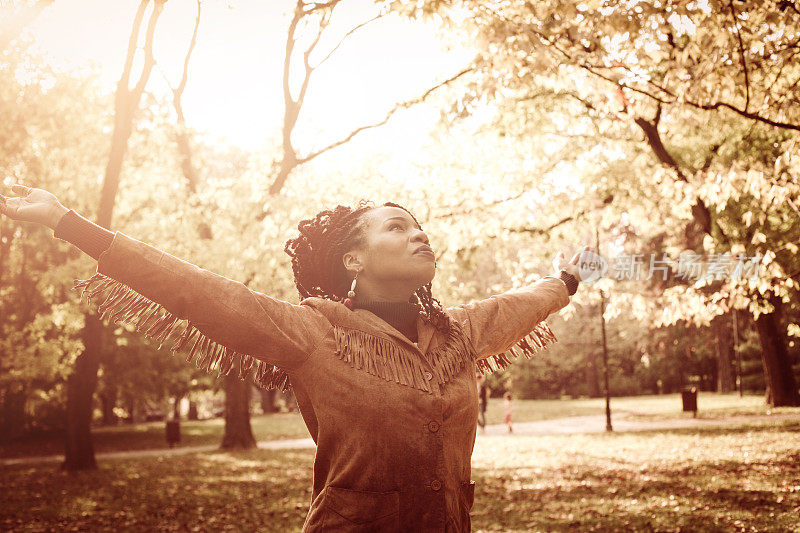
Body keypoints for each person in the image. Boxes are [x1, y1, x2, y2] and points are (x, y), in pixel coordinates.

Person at [0, 183, 584, 532]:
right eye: (398, 227)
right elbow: (197, 289)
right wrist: (65, 222)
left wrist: (571, 278)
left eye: (420, 228)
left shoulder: (459, 333)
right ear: (353, 261)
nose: (419, 235)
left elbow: (525, 302)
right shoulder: (312, 333)